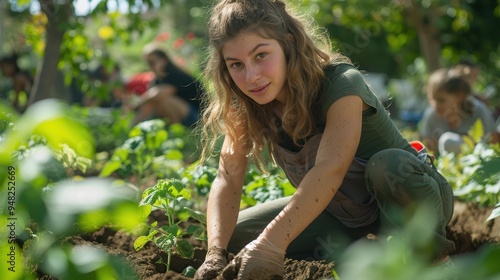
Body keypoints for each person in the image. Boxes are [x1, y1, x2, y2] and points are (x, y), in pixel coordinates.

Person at [194, 1, 456, 279]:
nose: (251, 76)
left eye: (260, 55)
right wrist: (215, 254)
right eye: (236, 64)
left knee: (387, 165)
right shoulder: (248, 105)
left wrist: (270, 244)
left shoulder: (341, 84)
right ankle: (361, 249)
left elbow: (329, 169)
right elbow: (227, 176)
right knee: (234, 233)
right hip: (346, 216)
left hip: (414, 200)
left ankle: (433, 259)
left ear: (288, 44)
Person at [419, 67, 499, 156]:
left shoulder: (478, 110)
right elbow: (429, 151)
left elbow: (494, 142)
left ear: (459, 96)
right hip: (447, 166)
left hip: (478, 162)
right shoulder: (431, 115)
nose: (435, 105)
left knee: (448, 141)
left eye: (441, 100)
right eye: (432, 99)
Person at [127, 44, 202, 128]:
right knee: (153, 103)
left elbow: (158, 94)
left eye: (152, 62)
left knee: (163, 100)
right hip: (186, 115)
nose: (150, 66)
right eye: (148, 63)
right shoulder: (156, 80)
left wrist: (137, 104)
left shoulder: (175, 74)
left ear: (164, 60)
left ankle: (177, 132)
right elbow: (149, 103)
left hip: (199, 118)